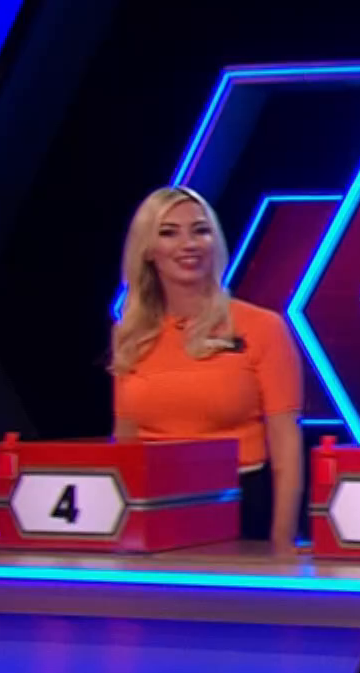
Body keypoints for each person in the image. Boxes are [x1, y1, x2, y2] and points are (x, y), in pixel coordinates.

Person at [111, 186, 303, 555]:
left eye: (200, 230)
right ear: (147, 250)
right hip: (152, 507)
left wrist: (282, 539)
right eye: (169, 232)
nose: (189, 244)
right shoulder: (130, 334)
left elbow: (285, 442)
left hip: (238, 504)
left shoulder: (263, 327)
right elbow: (125, 440)